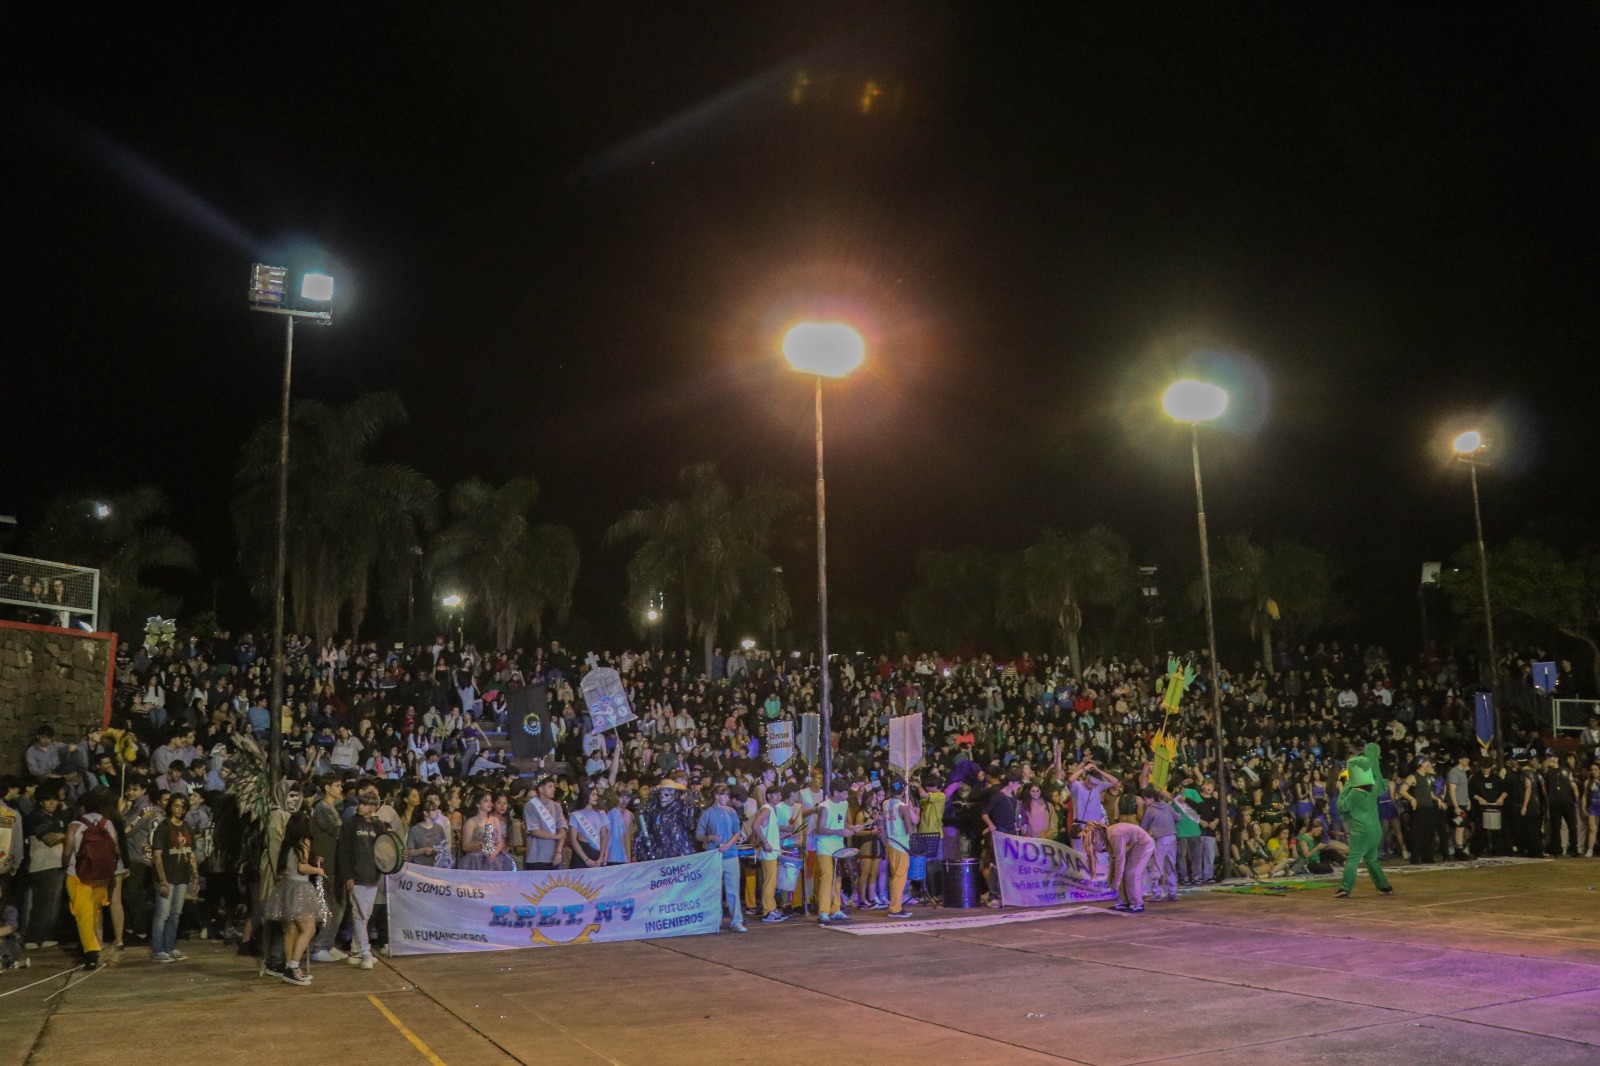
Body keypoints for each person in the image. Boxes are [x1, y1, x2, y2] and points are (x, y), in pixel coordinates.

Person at [63, 789, 121, 970]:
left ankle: (91, 954)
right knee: (94, 914)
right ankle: (97, 948)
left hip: (79, 876)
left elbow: (67, 853)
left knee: (83, 917)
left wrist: (65, 865)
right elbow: (116, 851)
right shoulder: (107, 823)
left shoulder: (75, 825)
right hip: (101, 877)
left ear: (83, 807)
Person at [263, 811, 322, 987]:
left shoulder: (287, 844)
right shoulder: (304, 841)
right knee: (308, 929)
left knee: (290, 931)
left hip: (286, 888)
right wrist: (317, 870)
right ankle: (294, 967)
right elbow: (302, 867)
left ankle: (290, 967)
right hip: (300, 888)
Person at [1335, 744, 1392, 898]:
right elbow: (1378, 779)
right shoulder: (1373, 790)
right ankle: (1384, 886)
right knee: (1371, 860)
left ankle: (1344, 888)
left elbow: (1341, 806)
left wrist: (1344, 785)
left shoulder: (1354, 793)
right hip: (1376, 830)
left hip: (1361, 831)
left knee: (1353, 859)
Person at [339, 788, 384, 969]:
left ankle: (356, 950)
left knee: (365, 914)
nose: (362, 807)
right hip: (356, 876)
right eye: (361, 803)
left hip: (372, 876)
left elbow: (385, 847)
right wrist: (347, 875)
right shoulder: (350, 824)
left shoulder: (378, 825)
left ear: (373, 807)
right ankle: (366, 952)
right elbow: (344, 851)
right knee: (359, 914)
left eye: (366, 804)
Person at [150, 792, 196, 962]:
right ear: (170, 807)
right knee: (163, 914)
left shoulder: (187, 827)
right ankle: (158, 949)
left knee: (175, 914)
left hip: (182, 877)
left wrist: (195, 876)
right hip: (167, 877)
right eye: (176, 806)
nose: (180, 809)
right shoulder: (164, 827)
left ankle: (169, 947)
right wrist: (162, 880)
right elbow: (157, 856)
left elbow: (190, 853)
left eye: (183, 807)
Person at [22, 784, 68, 949]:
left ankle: (48, 936)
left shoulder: (57, 817)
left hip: (58, 864)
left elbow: (60, 836)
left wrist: (61, 835)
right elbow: (49, 839)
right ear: (40, 801)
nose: (52, 803)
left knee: (54, 905)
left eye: (55, 799)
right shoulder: (35, 817)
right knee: (42, 904)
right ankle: (32, 938)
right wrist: (65, 836)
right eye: (48, 799)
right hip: (42, 865)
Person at [696, 785, 747, 933]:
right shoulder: (708, 813)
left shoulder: (731, 812)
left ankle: (736, 920)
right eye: (724, 795)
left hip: (730, 854)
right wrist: (709, 837)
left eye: (727, 795)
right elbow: (699, 834)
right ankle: (715, 920)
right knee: (715, 889)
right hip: (714, 855)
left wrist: (728, 844)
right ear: (717, 796)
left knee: (733, 889)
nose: (727, 798)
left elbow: (737, 832)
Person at [1103, 795, 1155, 913]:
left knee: (1132, 873)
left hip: (1144, 844)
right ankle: (1125, 901)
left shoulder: (1113, 835)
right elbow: (1114, 860)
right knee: (1125, 872)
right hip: (1136, 844)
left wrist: (1114, 882)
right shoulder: (1106, 835)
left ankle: (1137, 903)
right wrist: (1111, 878)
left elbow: (1119, 860)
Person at [812, 778, 851, 925]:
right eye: (844, 792)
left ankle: (836, 909)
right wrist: (840, 832)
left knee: (837, 878)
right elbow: (820, 829)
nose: (846, 795)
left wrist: (852, 828)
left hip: (838, 846)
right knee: (827, 876)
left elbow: (842, 822)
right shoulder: (825, 806)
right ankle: (823, 911)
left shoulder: (844, 804)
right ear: (835, 793)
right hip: (824, 847)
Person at [882, 778, 919, 918]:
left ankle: (895, 904)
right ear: (903, 790)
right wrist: (914, 813)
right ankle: (895, 908)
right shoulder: (902, 806)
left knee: (895, 876)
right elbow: (909, 828)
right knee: (900, 876)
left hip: (890, 841)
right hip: (901, 843)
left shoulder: (885, 803)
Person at [749, 788, 786, 922]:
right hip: (768, 852)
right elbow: (755, 825)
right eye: (776, 794)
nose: (779, 796)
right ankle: (768, 910)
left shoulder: (770, 809)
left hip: (771, 851)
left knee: (770, 881)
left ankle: (771, 908)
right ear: (769, 796)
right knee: (769, 882)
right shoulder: (767, 809)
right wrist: (765, 842)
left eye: (780, 794)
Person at [1139, 786, 1179, 903]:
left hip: (1161, 839)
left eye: (1145, 799)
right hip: (1172, 836)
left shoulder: (1151, 809)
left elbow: (1143, 826)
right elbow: (1178, 817)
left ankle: (1157, 892)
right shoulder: (1167, 806)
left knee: (1157, 865)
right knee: (1171, 864)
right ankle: (1172, 891)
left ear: (1150, 798)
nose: (1144, 802)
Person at [1400, 756, 1441, 864]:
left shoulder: (1428, 776)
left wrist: (1438, 800)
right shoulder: (1413, 777)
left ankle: (1428, 856)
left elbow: (1428, 792)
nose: (1428, 764)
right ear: (1420, 764)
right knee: (1418, 833)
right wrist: (1412, 798)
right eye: (1426, 762)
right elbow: (1402, 790)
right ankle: (1415, 857)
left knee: (1430, 833)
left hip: (1429, 807)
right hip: (1420, 808)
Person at [523, 777, 568, 870]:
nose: (553, 789)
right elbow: (534, 831)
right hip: (535, 857)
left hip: (554, 857)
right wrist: (556, 836)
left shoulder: (557, 806)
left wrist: (559, 852)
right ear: (541, 789)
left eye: (553, 787)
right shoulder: (530, 805)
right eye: (550, 786)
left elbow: (562, 829)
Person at [568, 788, 610, 869]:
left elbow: (604, 837)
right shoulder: (575, 815)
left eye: (596, 794)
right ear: (586, 796)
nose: (596, 797)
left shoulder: (601, 813)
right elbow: (573, 840)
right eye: (593, 794)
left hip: (596, 853)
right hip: (581, 853)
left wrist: (600, 858)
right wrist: (586, 860)